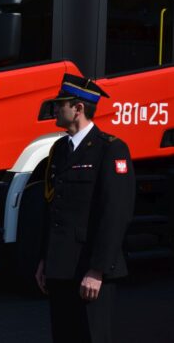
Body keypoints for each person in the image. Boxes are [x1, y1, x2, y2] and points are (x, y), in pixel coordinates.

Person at [35, 74, 135, 343]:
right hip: (60, 269)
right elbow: (53, 209)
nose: (55, 109)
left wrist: (98, 270)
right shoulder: (59, 149)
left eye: (60, 104)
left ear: (78, 108)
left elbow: (116, 214)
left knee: (92, 337)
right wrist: (44, 260)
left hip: (89, 271)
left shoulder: (110, 150)